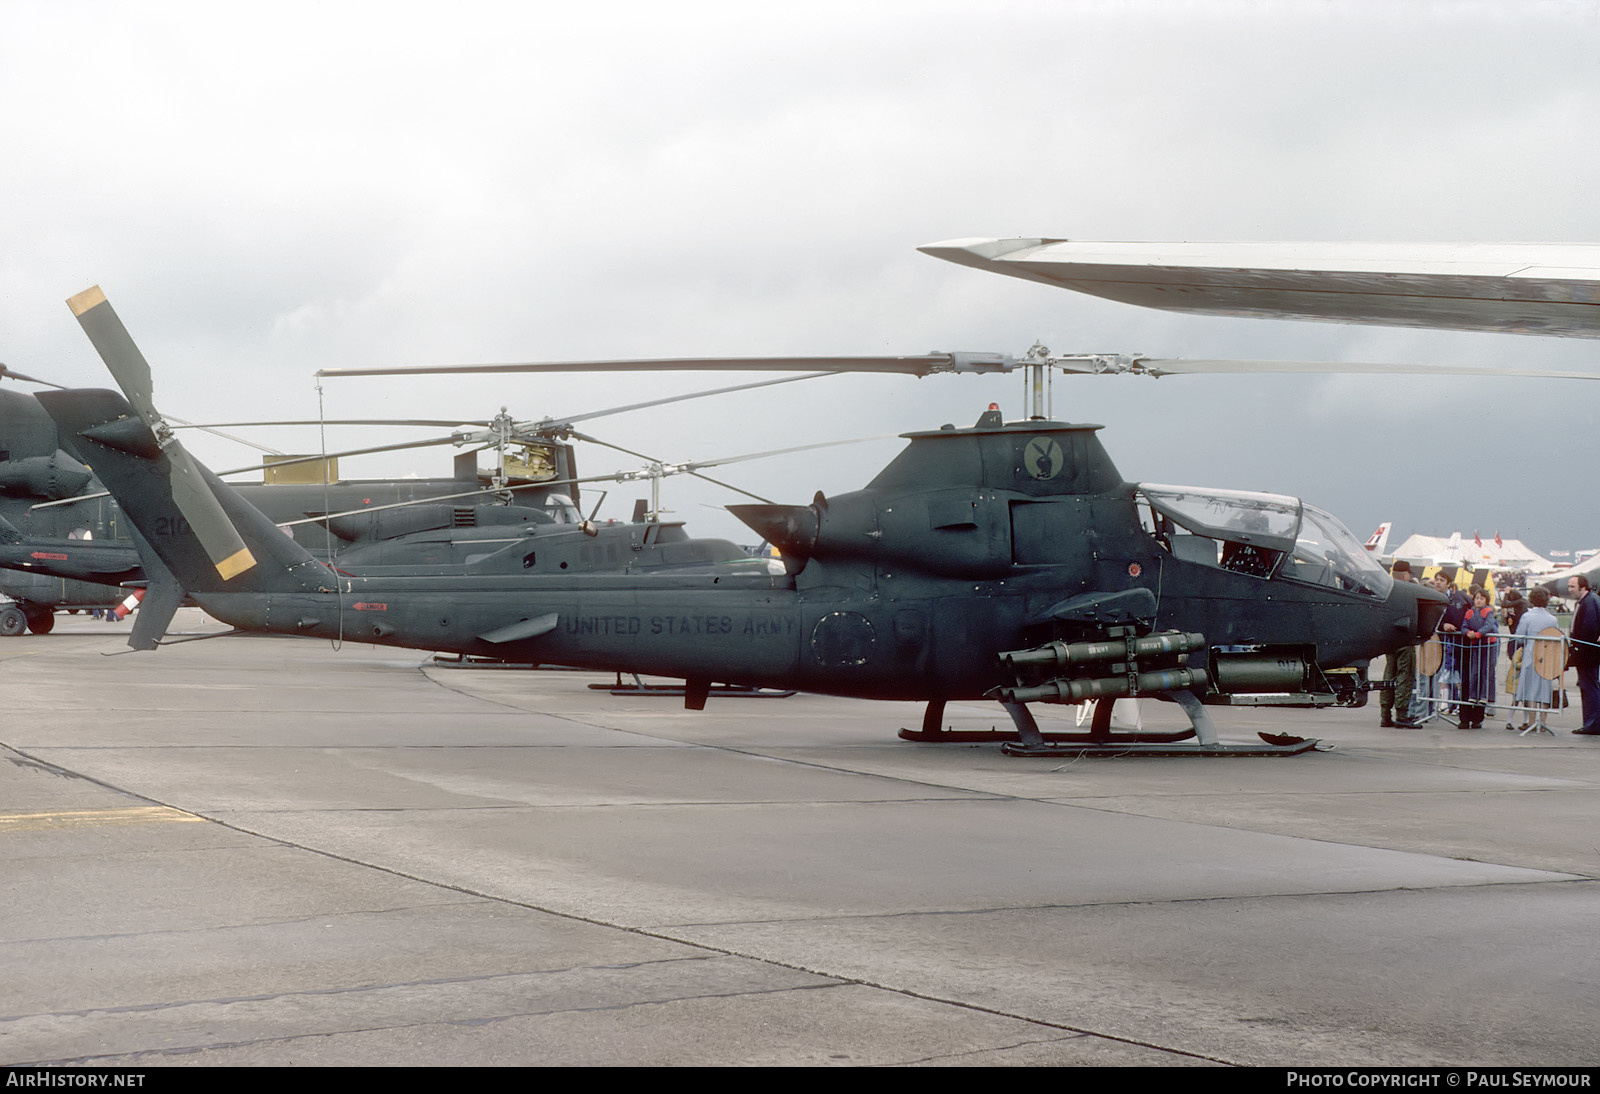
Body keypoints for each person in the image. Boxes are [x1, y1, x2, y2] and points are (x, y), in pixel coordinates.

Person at [1511, 587, 1560, 733]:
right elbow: (1557, 637)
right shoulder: (1552, 619)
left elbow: (1519, 636)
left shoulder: (1527, 616)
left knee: (1530, 688)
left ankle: (1531, 720)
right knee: (1544, 687)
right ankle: (1543, 721)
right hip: (1547, 655)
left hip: (1531, 654)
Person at [1380, 561, 1422, 728]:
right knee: (1405, 675)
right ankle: (1402, 715)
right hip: (1405, 639)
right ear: (1405, 575)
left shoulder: (1385, 589)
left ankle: (1385, 714)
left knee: (1389, 674)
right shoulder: (1407, 591)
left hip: (1389, 640)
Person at [1457, 585, 1498, 729]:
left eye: (1482, 598)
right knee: (1474, 671)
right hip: (1475, 645)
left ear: (1486, 600)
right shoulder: (1469, 612)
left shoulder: (1488, 611)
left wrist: (1478, 634)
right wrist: (1468, 633)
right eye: (1477, 598)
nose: (1478, 601)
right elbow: (1464, 626)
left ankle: (1484, 696)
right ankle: (1473, 695)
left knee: (1485, 671)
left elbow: (1489, 626)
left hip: (1487, 645)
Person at [1568, 575, 1600, 736]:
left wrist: (1578, 649)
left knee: (1589, 687)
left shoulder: (1589, 602)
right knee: (1588, 686)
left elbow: (1589, 629)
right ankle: (1591, 722)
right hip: (1586, 653)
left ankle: (1593, 724)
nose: (1570, 590)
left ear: (1583, 587)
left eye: (1573, 586)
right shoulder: (1586, 601)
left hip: (1588, 654)